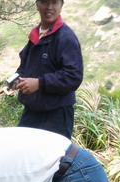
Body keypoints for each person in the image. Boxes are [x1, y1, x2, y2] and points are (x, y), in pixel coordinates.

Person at [12, 0, 83, 139]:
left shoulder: (65, 37)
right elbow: (25, 64)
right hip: (32, 111)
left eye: (54, 2)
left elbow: (74, 76)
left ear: (61, 5)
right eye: (44, 2)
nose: (49, 7)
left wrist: (39, 83)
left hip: (57, 115)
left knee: (52, 159)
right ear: (37, 4)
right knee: (23, 155)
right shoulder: (36, 34)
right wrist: (17, 79)